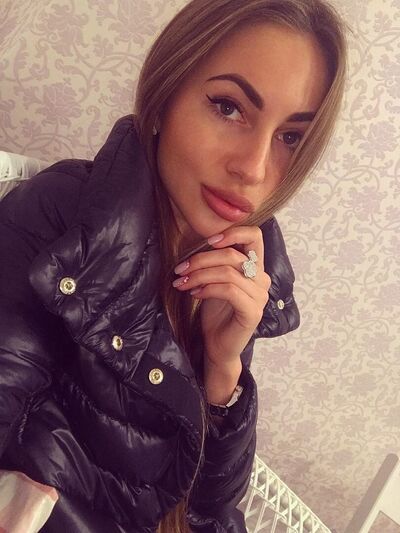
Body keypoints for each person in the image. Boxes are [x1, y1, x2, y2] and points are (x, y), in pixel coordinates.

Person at [0, 0, 347, 531]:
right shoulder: (64, 216)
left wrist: (223, 368)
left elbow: (210, 513)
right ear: (165, 94)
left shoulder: (238, 270)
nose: (253, 168)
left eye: (290, 137)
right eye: (229, 107)